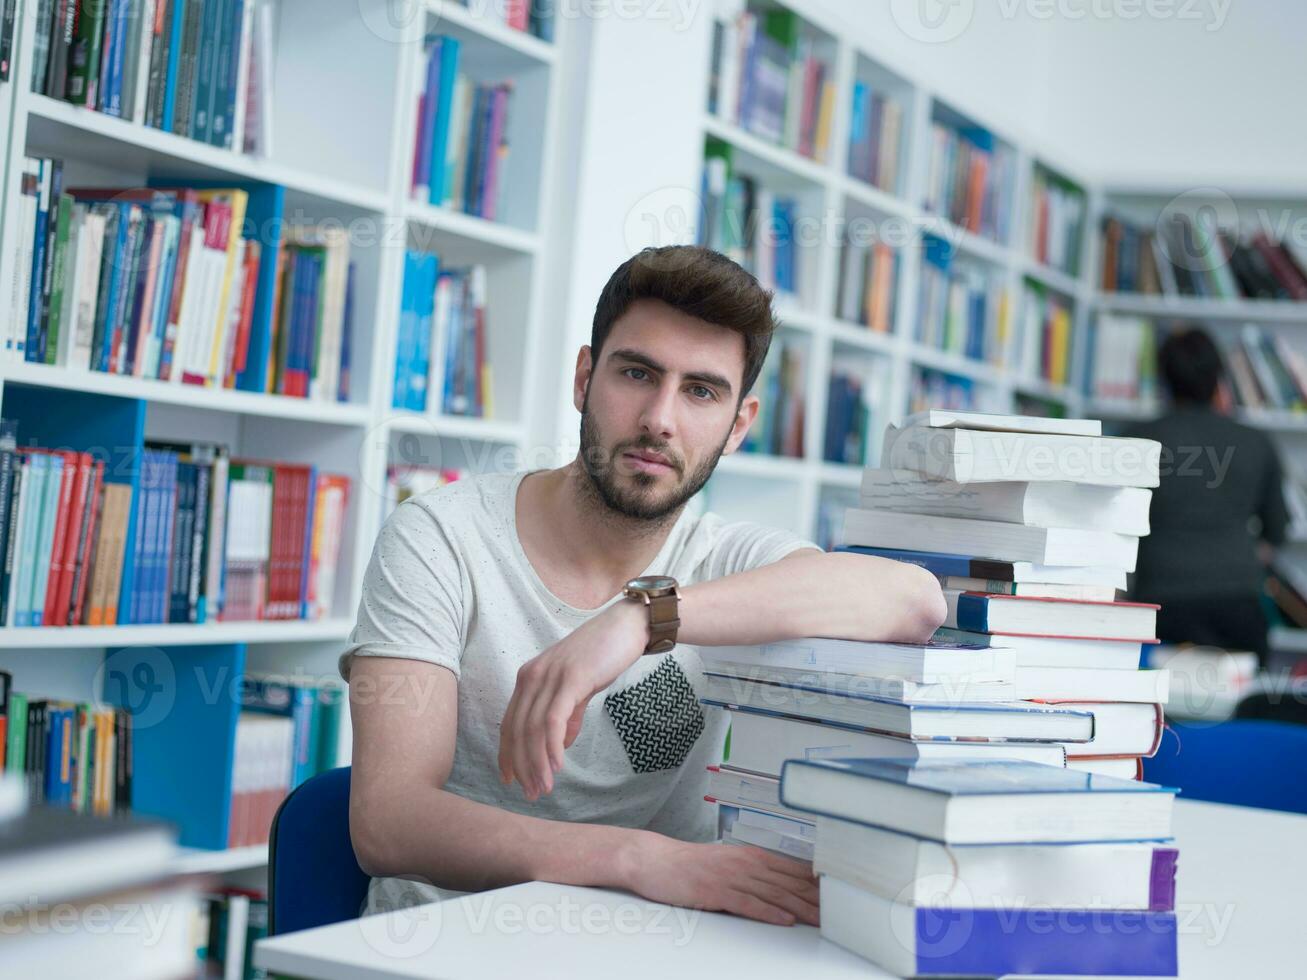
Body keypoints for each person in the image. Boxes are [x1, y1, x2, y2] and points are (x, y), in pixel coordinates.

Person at [340, 245, 946, 927]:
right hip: (439, 944)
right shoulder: (441, 535)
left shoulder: (724, 561)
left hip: (651, 947)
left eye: (700, 391)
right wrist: (640, 859)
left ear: (737, 424)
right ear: (583, 379)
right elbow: (388, 823)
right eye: (637, 373)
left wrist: (639, 619)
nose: (660, 418)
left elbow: (914, 601)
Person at [1125, 327, 1289, 661]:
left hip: (1160, 603)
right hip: (1237, 602)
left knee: (1159, 706)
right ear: (1219, 377)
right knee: (1242, 705)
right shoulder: (1255, 442)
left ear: (1165, 379)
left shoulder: (1136, 442)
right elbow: (1278, 530)